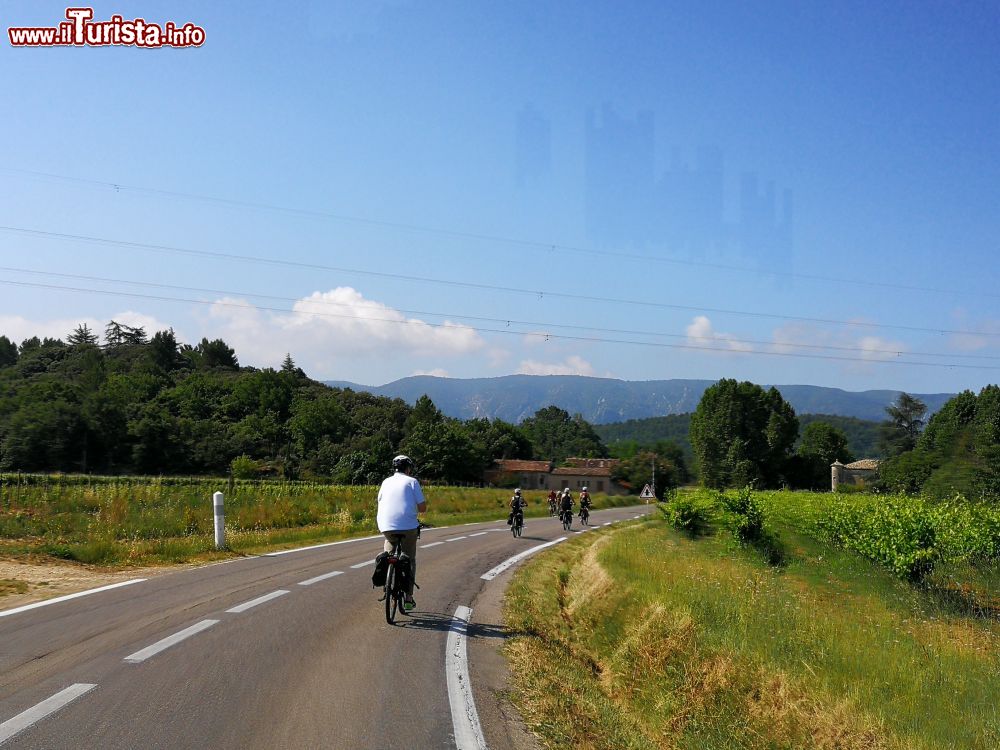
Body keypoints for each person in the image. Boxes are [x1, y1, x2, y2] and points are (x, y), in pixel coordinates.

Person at [377, 455, 426, 612]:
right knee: (409, 559)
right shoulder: (412, 481)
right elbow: (422, 507)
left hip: (386, 526)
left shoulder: (385, 482)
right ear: (408, 468)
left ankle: (386, 583)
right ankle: (408, 598)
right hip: (408, 527)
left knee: (389, 549)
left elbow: (380, 501)